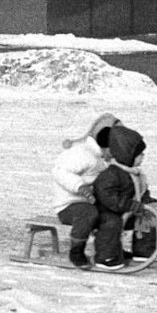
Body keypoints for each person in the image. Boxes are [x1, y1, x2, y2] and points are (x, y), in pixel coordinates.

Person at [50, 113, 118, 268]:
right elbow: (60, 171)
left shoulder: (102, 159)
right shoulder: (81, 154)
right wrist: (80, 186)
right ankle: (76, 252)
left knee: (110, 216)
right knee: (87, 213)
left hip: (91, 202)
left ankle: (109, 250)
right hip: (68, 205)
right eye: (113, 150)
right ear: (105, 146)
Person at [89, 122, 153, 270]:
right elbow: (108, 198)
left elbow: (141, 191)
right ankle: (106, 257)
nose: (142, 157)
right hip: (106, 211)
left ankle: (144, 250)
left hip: (127, 210)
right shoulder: (111, 174)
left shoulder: (135, 174)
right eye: (139, 155)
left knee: (148, 216)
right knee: (111, 223)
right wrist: (130, 205)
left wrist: (147, 202)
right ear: (127, 155)